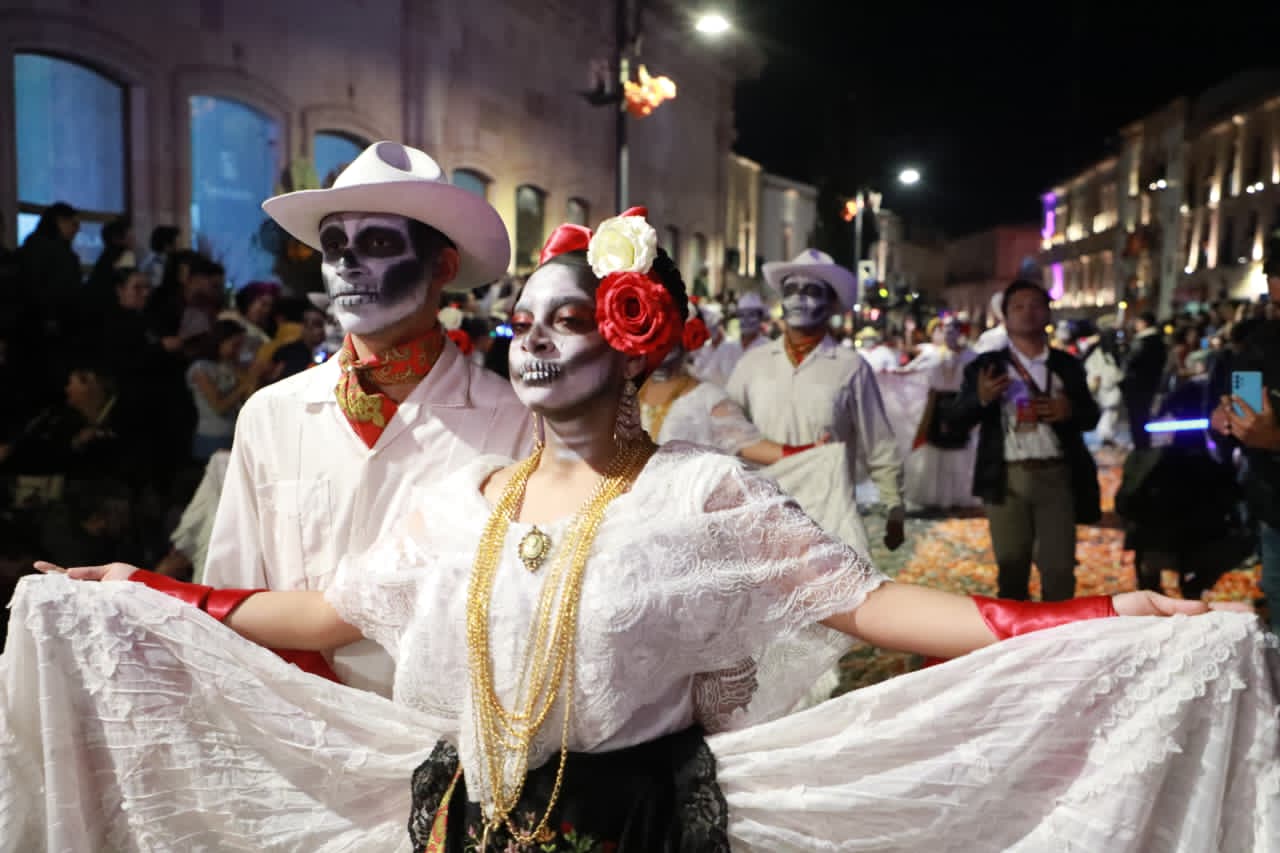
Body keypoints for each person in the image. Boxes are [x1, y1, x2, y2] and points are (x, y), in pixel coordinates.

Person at [11, 210, 1274, 851]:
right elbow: (326, 612)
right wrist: (153, 592)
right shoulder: (475, 496)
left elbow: (889, 611)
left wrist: (1093, 613)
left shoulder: (700, 495)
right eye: (525, 320)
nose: (537, 336)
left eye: (572, 317)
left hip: (633, 828)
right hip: (460, 820)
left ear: (633, 339)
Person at [203, 141, 532, 694]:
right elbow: (231, 591)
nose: (347, 264)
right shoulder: (272, 414)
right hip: (299, 726)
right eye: (334, 246)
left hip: (442, 734)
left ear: (443, 267)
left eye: (378, 242)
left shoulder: (515, 421)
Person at [727, 249, 906, 552]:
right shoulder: (752, 364)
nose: (799, 299)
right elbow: (726, 430)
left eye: (811, 291)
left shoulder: (850, 367)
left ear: (832, 303)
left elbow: (879, 442)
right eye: (791, 290)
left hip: (826, 515)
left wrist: (894, 505)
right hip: (761, 513)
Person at [940, 279, 1101, 601]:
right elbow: (954, 422)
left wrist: (1068, 409)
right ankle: (1016, 645)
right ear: (1005, 316)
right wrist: (981, 399)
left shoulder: (1065, 365)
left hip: (1057, 474)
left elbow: (1090, 416)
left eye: (1036, 305)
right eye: (1019, 306)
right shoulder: (986, 366)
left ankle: (1058, 642)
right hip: (1005, 478)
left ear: (1048, 314)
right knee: (1012, 568)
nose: (1028, 312)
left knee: (1058, 570)